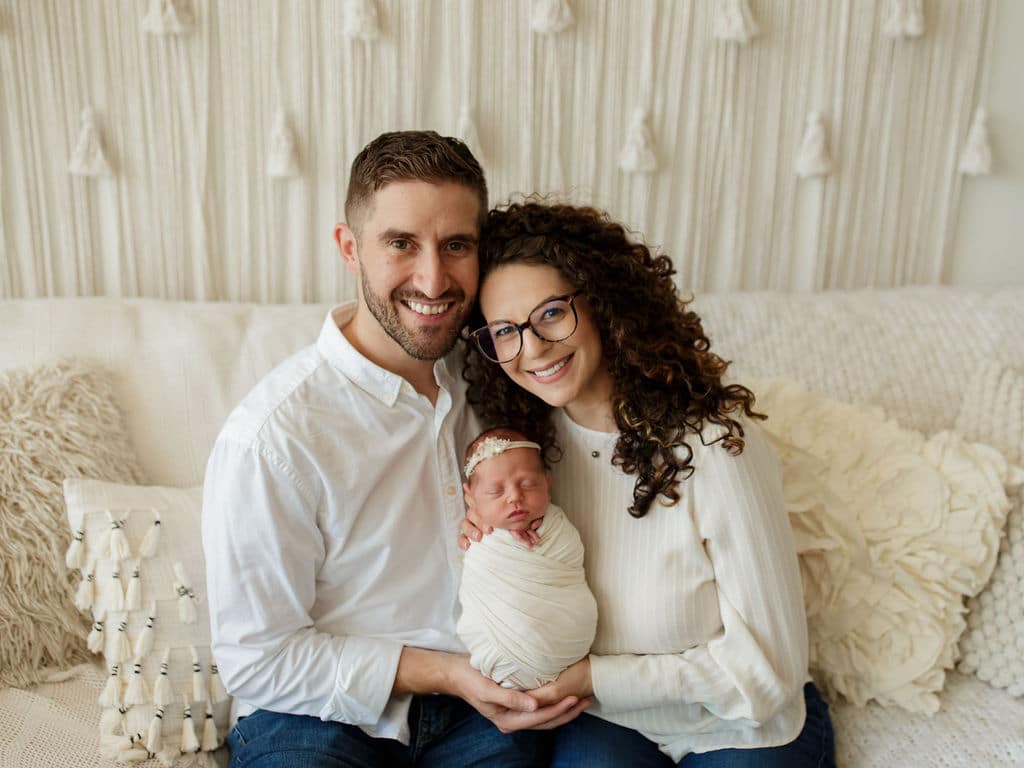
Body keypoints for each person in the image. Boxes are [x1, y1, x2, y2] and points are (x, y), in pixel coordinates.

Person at [201, 133, 586, 768]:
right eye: (401, 244)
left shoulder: (504, 371)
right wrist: (447, 673)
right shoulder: (269, 439)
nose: (433, 278)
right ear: (349, 248)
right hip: (314, 716)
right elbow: (257, 659)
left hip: (485, 708)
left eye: (456, 245)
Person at [460, 200, 836, 767]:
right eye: (505, 331)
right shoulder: (528, 458)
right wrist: (492, 550)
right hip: (613, 721)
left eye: (553, 313)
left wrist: (597, 677)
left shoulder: (715, 448)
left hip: (741, 722)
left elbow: (770, 671)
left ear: (605, 304)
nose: (531, 348)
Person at [456, 427, 598, 691]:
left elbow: (570, 555)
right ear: (470, 497)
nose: (514, 497)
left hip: (568, 645)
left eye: (528, 485)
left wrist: (545, 531)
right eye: (495, 492)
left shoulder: (557, 526)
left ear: (547, 483)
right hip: (500, 655)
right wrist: (502, 537)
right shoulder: (478, 536)